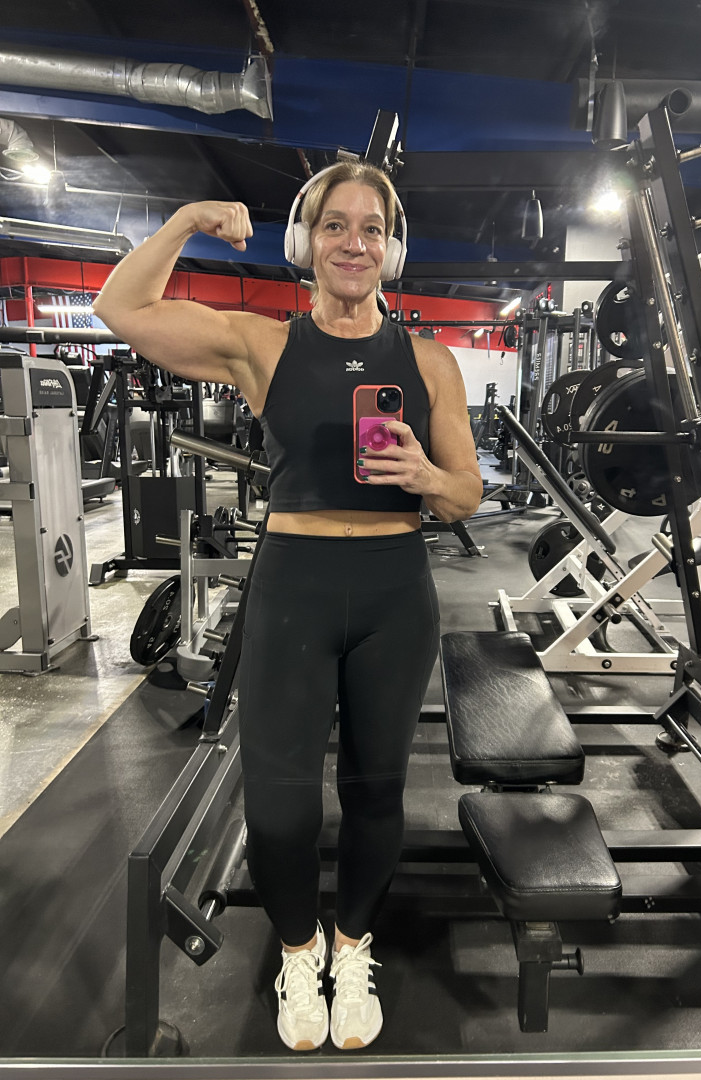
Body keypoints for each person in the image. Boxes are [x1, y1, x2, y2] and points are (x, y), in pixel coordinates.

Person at [93, 160, 482, 1052]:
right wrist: (186, 219)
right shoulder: (261, 345)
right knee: (278, 802)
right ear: (306, 243)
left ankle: (354, 946)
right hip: (293, 587)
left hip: (395, 593)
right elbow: (121, 307)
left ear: (392, 249)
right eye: (336, 225)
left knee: (377, 790)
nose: (355, 243)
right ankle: (299, 953)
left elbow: (465, 494)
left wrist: (426, 476)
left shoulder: (431, 362)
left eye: (372, 228)